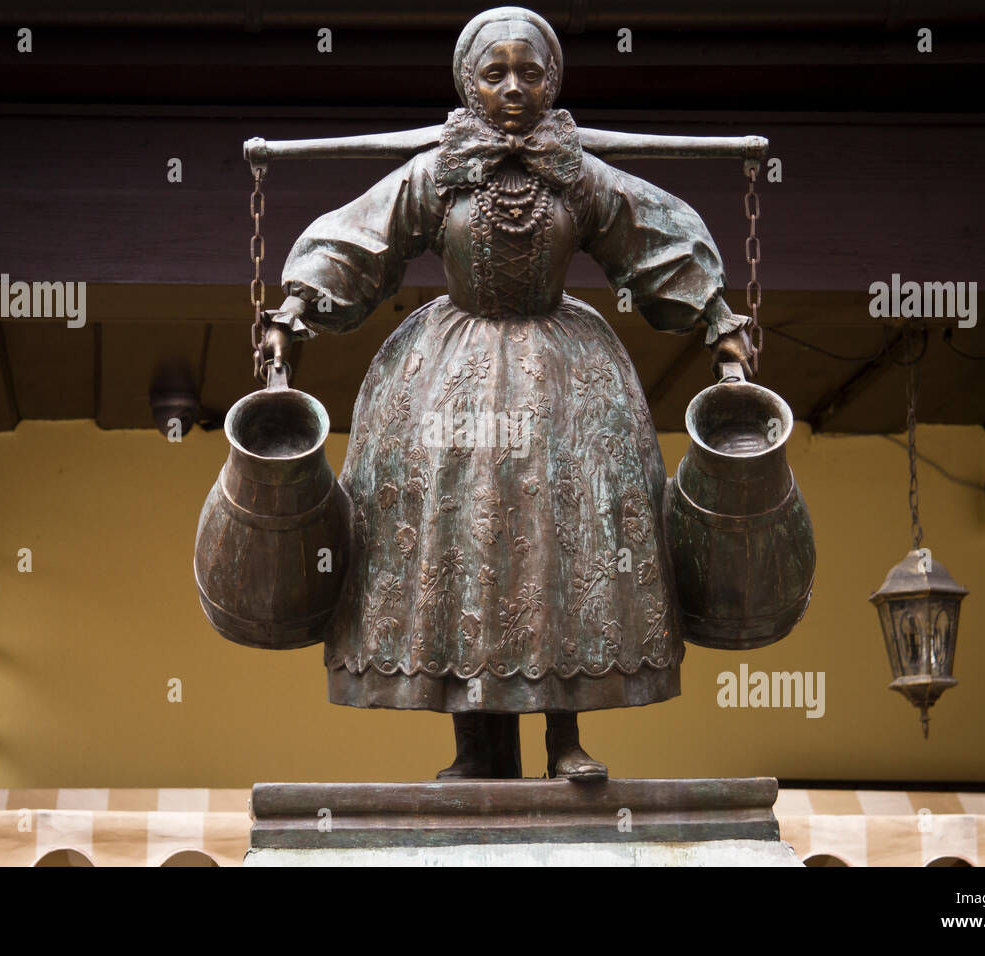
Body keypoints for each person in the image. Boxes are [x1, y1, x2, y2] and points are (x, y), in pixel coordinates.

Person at [261, 6, 757, 780]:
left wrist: (717, 319)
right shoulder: (438, 173)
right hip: (448, 385)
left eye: (530, 73)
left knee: (568, 539)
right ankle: (476, 749)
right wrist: (297, 305)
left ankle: (566, 740)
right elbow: (360, 238)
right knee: (465, 545)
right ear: (469, 86)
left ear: (552, 81)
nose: (515, 89)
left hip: (566, 384)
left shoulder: (576, 174)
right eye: (496, 74)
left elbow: (652, 235)